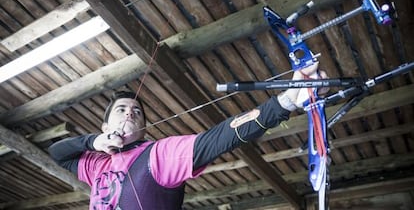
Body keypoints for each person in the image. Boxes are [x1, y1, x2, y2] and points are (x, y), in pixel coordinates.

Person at [48, 63, 324, 210]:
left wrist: (285, 102)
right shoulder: (96, 164)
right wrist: (93, 142)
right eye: (121, 110)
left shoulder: (157, 155)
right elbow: (57, 153)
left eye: (138, 112)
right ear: (105, 124)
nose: (130, 114)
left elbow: (219, 138)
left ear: (144, 128)